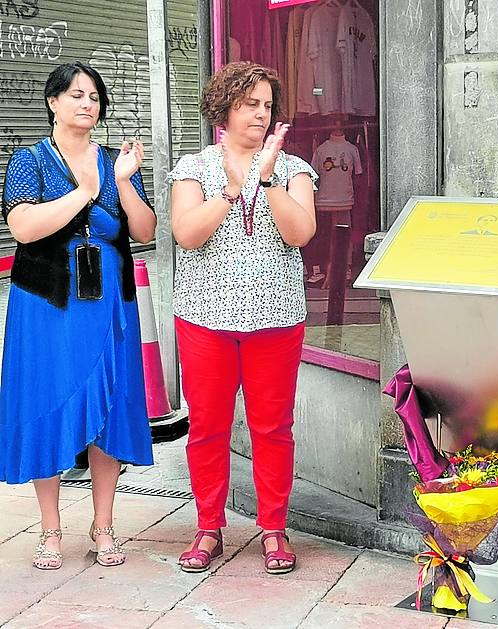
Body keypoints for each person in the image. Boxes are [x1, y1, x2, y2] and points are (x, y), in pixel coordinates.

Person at [0, 62, 156, 570]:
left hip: (108, 303)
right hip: (46, 306)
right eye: (76, 95)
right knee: (47, 402)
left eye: (94, 97)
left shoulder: (116, 161)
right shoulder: (29, 160)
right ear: (53, 102)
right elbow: (23, 227)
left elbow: (145, 229)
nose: (87, 104)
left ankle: (104, 524)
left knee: (107, 405)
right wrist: (84, 193)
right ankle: (49, 528)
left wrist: (124, 184)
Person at [169, 62, 317, 574]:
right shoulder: (194, 167)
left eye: (267, 105)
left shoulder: (294, 168)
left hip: (275, 316)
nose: (260, 113)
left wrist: (268, 178)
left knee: (272, 427)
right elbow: (186, 233)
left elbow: (301, 233)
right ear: (224, 109)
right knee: (207, 426)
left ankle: (274, 528)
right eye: (249, 104)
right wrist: (231, 191)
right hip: (205, 318)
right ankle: (208, 525)